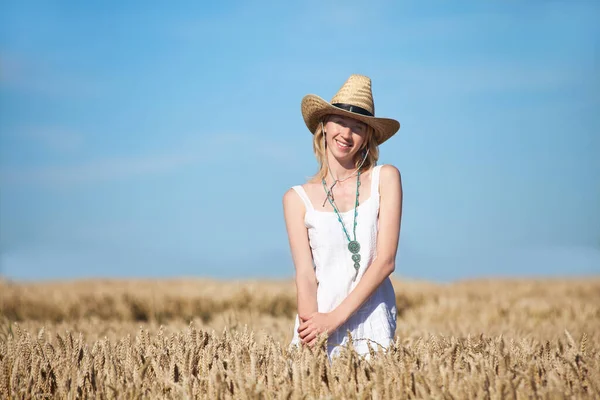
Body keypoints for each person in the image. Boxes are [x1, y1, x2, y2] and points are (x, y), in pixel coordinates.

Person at [283, 74, 403, 359]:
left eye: (358, 127)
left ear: (367, 138)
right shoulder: (296, 199)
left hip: (372, 324)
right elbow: (305, 276)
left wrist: (334, 319)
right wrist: (312, 333)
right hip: (319, 325)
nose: (346, 135)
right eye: (340, 122)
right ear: (323, 127)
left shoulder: (385, 178)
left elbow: (385, 261)